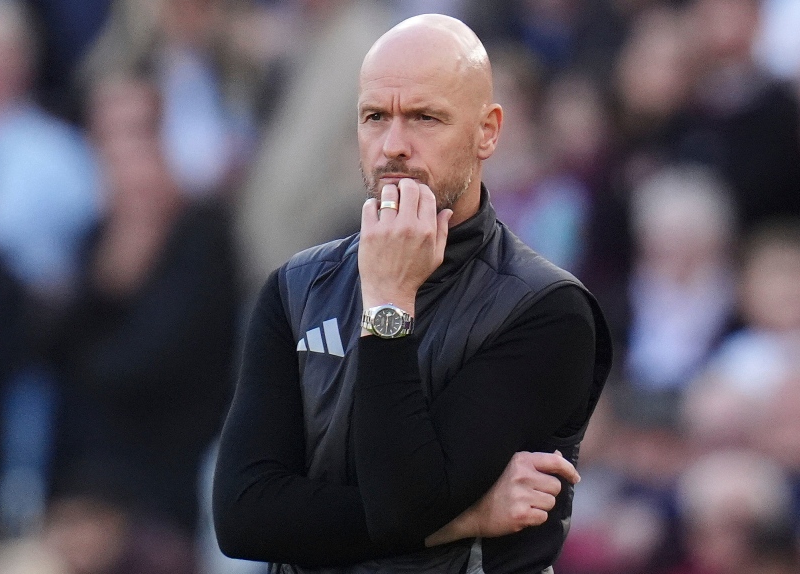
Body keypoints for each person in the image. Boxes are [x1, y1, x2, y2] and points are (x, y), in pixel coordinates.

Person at [213, 14, 612, 573]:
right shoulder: (295, 289)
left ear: (487, 131)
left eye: (425, 118)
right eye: (376, 117)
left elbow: (402, 505)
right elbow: (243, 518)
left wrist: (387, 304)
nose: (393, 146)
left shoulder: (546, 309)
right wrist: (466, 519)